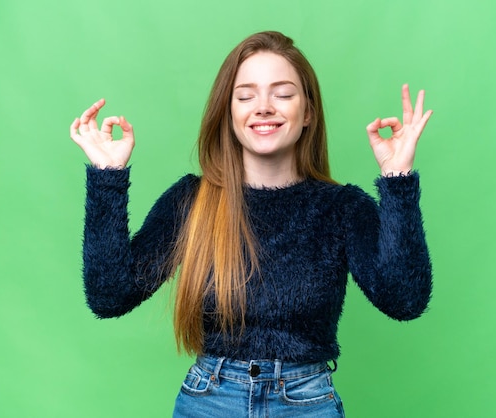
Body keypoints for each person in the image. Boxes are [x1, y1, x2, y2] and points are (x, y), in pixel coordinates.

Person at [70, 31, 433, 417]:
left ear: (308, 112)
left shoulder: (340, 207)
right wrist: (107, 175)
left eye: (283, 93)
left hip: (306, 403)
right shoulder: (193, 200)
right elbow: (109, 295)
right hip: (209, 402)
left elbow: (404, 300)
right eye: (245, 96)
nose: (263, 107)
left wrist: (397, 182)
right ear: (229, 112)